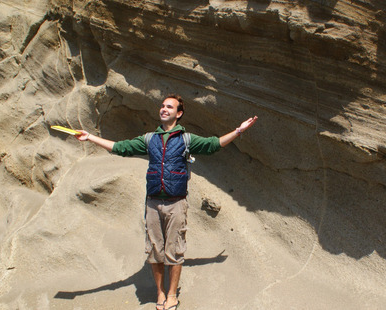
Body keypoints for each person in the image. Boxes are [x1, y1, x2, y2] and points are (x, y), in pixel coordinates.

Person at [76, 94, 257, 310]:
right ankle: (160, 293)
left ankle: (172, 294)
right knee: (154, 250)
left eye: (169, 107)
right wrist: (90, 138)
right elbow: (120, 148)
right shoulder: (149, 139)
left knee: (175, 250)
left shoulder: (186, 139)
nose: (164, 109)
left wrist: (239, 131)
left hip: (176, 203)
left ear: (178, 113)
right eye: (162, 106)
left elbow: (213, 144)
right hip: (152, 203)